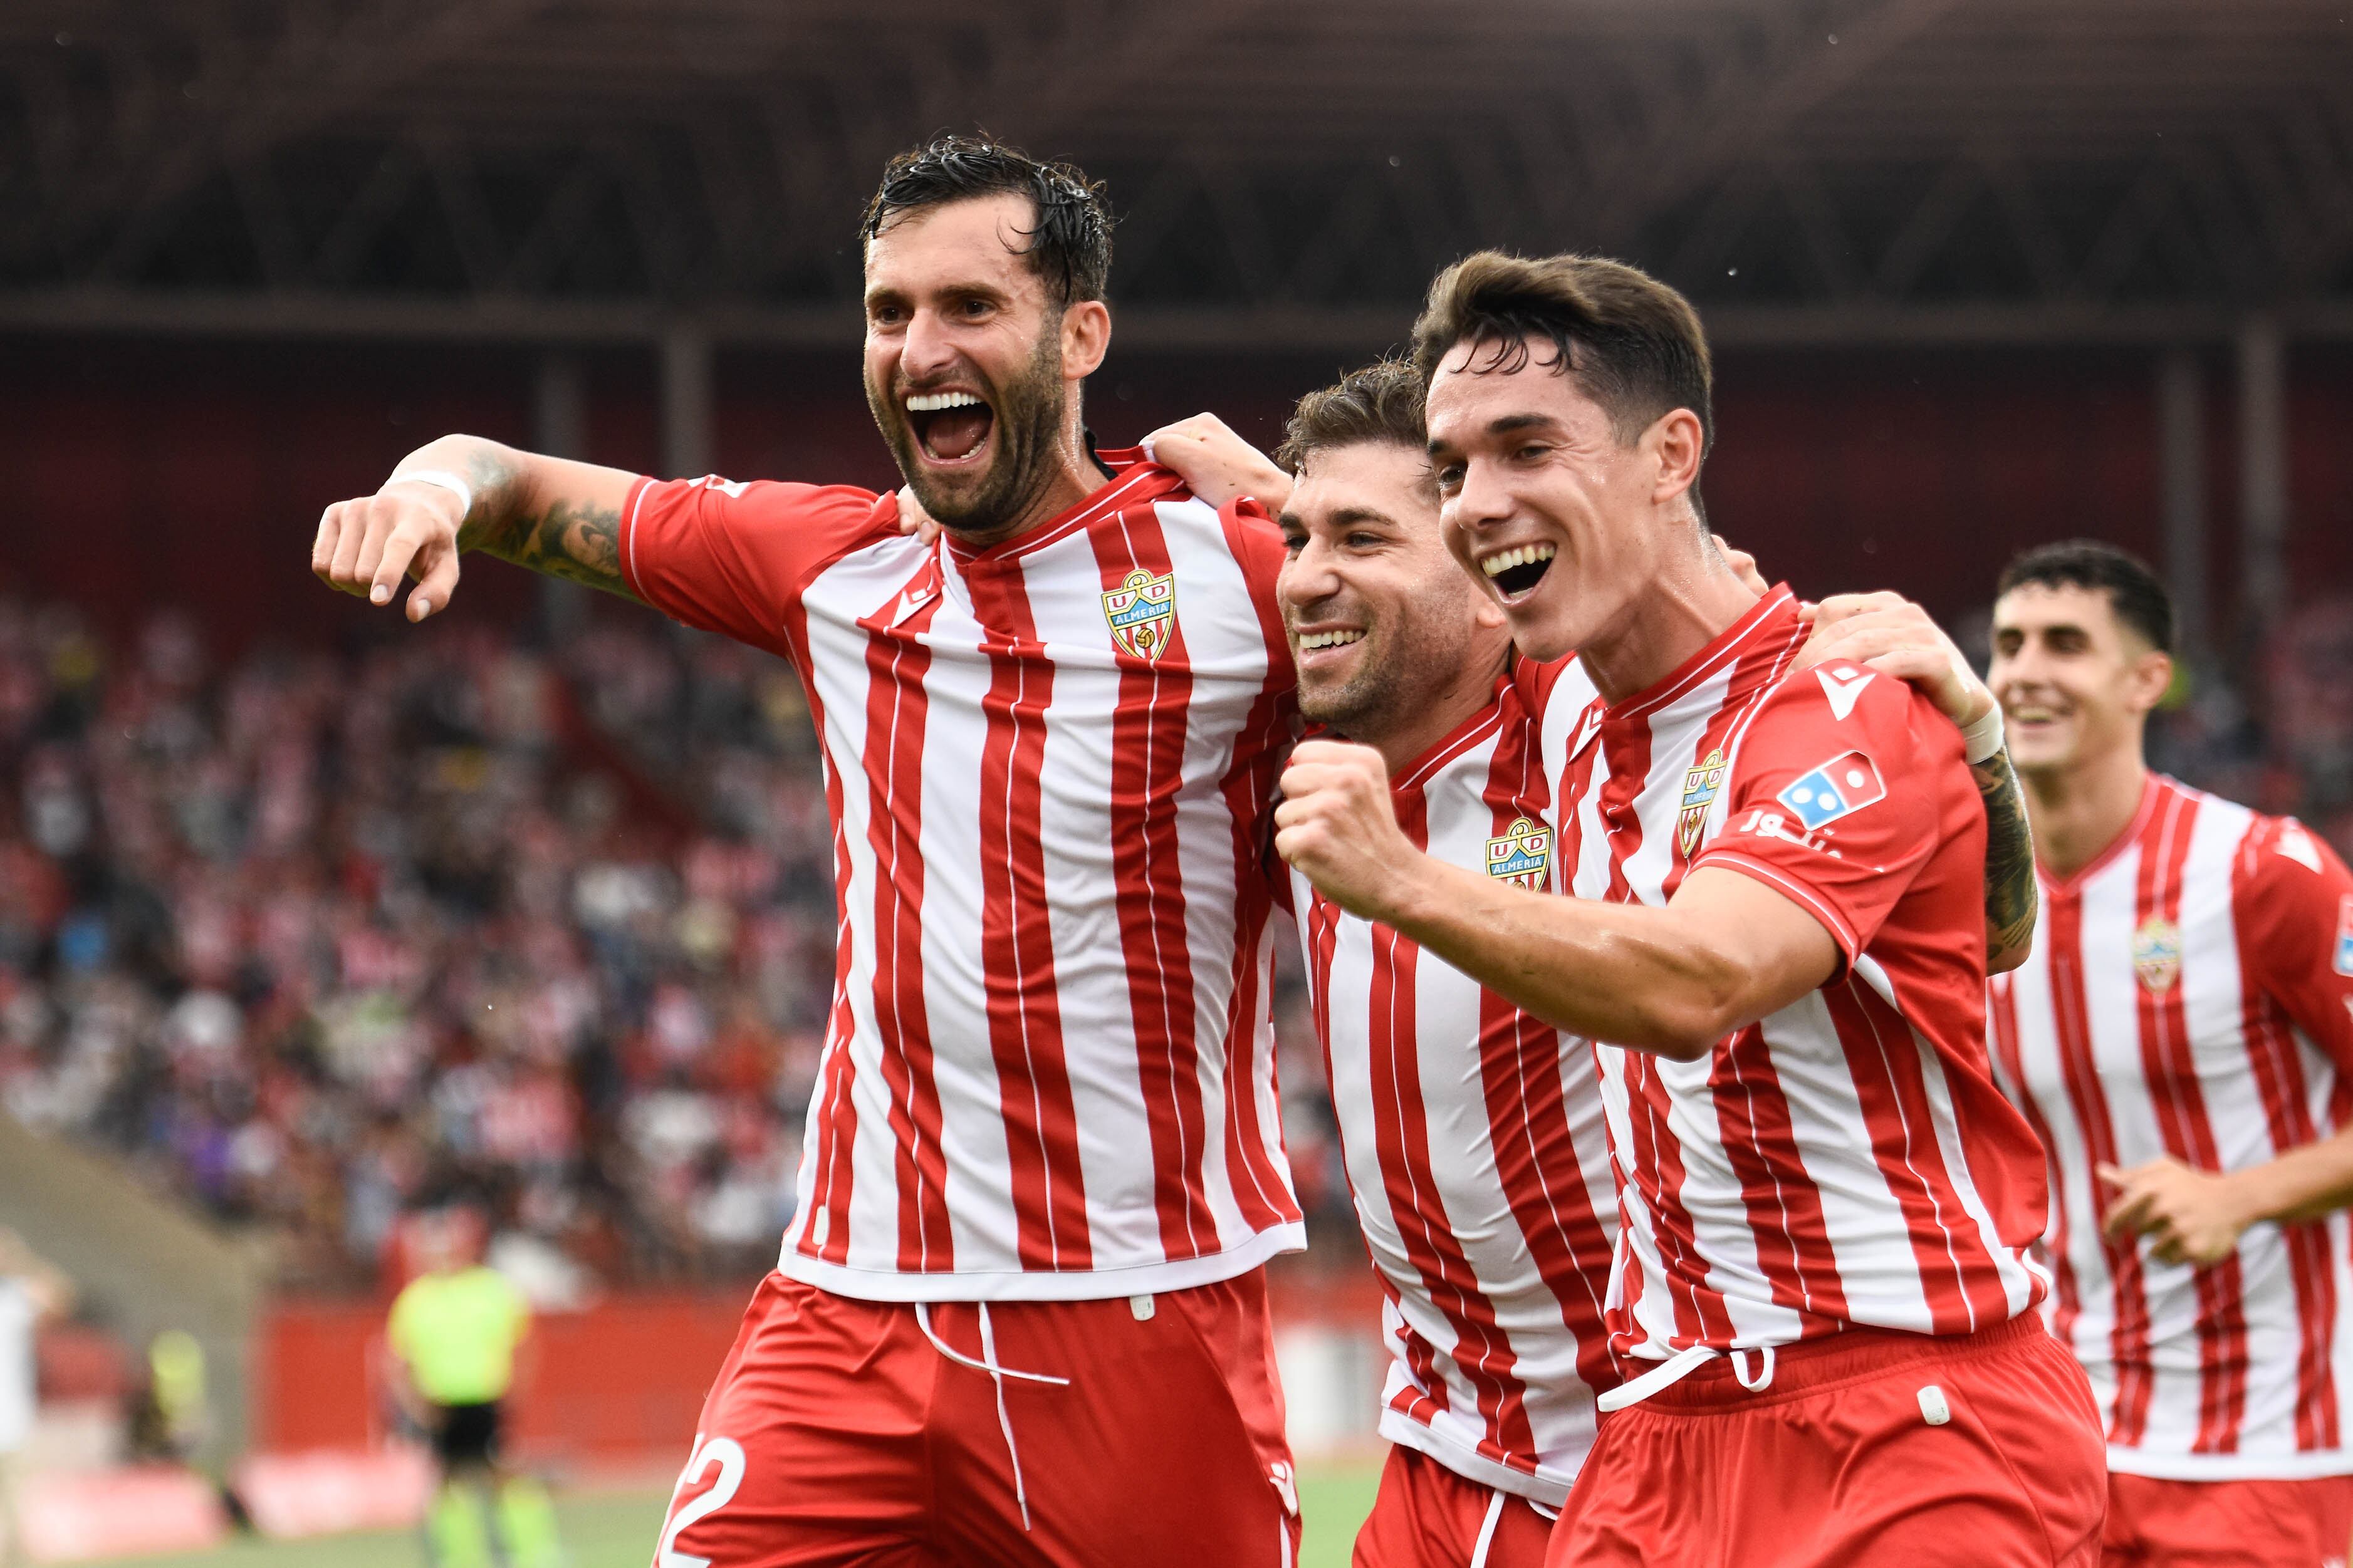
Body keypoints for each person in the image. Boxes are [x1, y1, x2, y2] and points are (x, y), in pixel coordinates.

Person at [313, 137, 1303, 1565]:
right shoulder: (829, 563)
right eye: (889, 310)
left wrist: (1283, 495)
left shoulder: (1241, 571)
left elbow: (1499, 656)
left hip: (1140, 1311)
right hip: (848, 1311)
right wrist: (425, 493)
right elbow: (507, 479)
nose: (918, 346)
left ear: (1081, 333)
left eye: (969, 306)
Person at [1271, 252, 2105, 1567]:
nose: (1477, 505)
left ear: (1670, 455)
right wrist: (1222, 480)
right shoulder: (1566, 705)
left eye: (1525, 447)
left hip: (1901, 1413)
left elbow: (1698, 982)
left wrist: (1401, 880)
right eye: (1450, 471)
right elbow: (1387, 582)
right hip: (1660, 1434)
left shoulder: (1838, 706)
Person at [1978, 542, 2353, 1568]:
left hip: (2263, 1452)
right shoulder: (1964, 898)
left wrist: (2243, 1195)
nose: (2027, 671)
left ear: (2149, 678)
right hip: (2057, 1442)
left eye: (2067, 644)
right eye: (2010, 644)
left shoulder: (2259, 872)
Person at [384, 1206, 561, 1568]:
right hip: (440, 1404)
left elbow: (523, 1343)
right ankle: (458, 1557)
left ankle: (535, 1552)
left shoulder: (492, 1289)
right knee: (447, 1482)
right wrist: (415, 1405)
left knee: (504, 1475)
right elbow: (398, 1361)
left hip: (485, 1399)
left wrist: (515, 1391)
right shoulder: (417, 1298)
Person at [0, 1230, 72, 1568]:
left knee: (12, 1496)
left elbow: (62, 1295)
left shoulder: (16, 1296)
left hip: (11, 1418)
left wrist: (21, 1263)